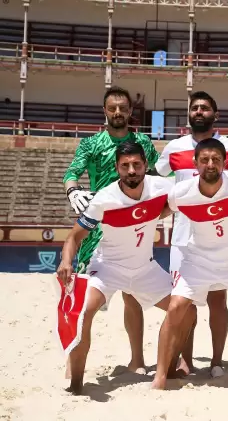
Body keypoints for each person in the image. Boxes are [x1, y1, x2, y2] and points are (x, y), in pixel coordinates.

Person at [56, 141, 177, 395]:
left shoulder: (162, 186)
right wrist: (66, 262)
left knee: (185, 310)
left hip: (145, 268)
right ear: (117, 168)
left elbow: (184, 197)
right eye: (125, 166)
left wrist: (157, 213)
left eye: (136, 164)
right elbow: (74, 237)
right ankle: (76, 383)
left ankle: (169, 370)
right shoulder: (104, 199)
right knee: (82, 314)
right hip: (108, 268)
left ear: (145, 165)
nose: (131, 170)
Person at [155, 91, 228, 377]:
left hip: (220, 236)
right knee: (184, 304)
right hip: (182, 238)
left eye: (205, 108)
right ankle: (185, 361)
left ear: (215, 114)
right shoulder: (174, 147)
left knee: (217, 300)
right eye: (195, 108)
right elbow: (156, 177)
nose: (199, 112)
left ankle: (216, 361)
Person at [63, 86, 160, 374]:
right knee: (82, 296)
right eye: (112, 108)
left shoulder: (143, 142)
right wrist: (72, 191)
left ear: (130, 111)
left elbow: (156, 173)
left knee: (133, 294)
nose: (118, 112)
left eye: (123, 108)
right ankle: (73, 361)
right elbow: (71, 173)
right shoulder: (91, 144)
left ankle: (137, 360)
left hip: (133, 223)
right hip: (97, 225)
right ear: (104, 111)